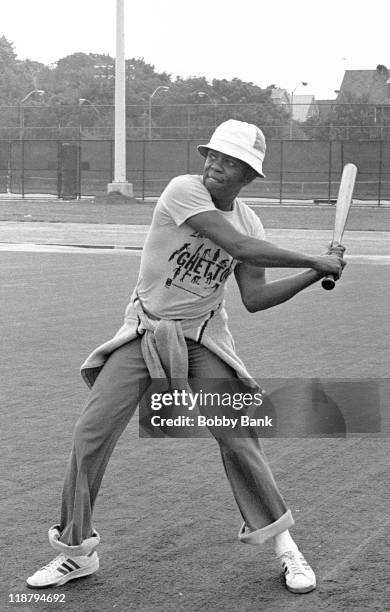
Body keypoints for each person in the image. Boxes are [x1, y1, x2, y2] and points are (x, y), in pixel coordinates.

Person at [27, 119, 345, 594]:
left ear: (249, 175)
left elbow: (254, 298)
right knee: (90, 434)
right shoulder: (182, 191)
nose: (216, 165)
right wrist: (313, 260)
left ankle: (286, 548)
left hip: (203, 338)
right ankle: (76, 553)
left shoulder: (251, 220)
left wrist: (317, 272)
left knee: (239, 438)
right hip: (144, 330)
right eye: (213, 156)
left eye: (230, 161)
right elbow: (235, 246)